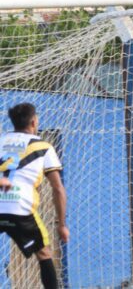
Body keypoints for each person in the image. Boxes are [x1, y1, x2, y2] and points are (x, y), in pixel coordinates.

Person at [0, 102, 68, 289]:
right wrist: (62, 224)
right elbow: (58, 188)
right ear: (34, 121)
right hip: (20, 208)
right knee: (44, 254)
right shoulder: (43, 146)